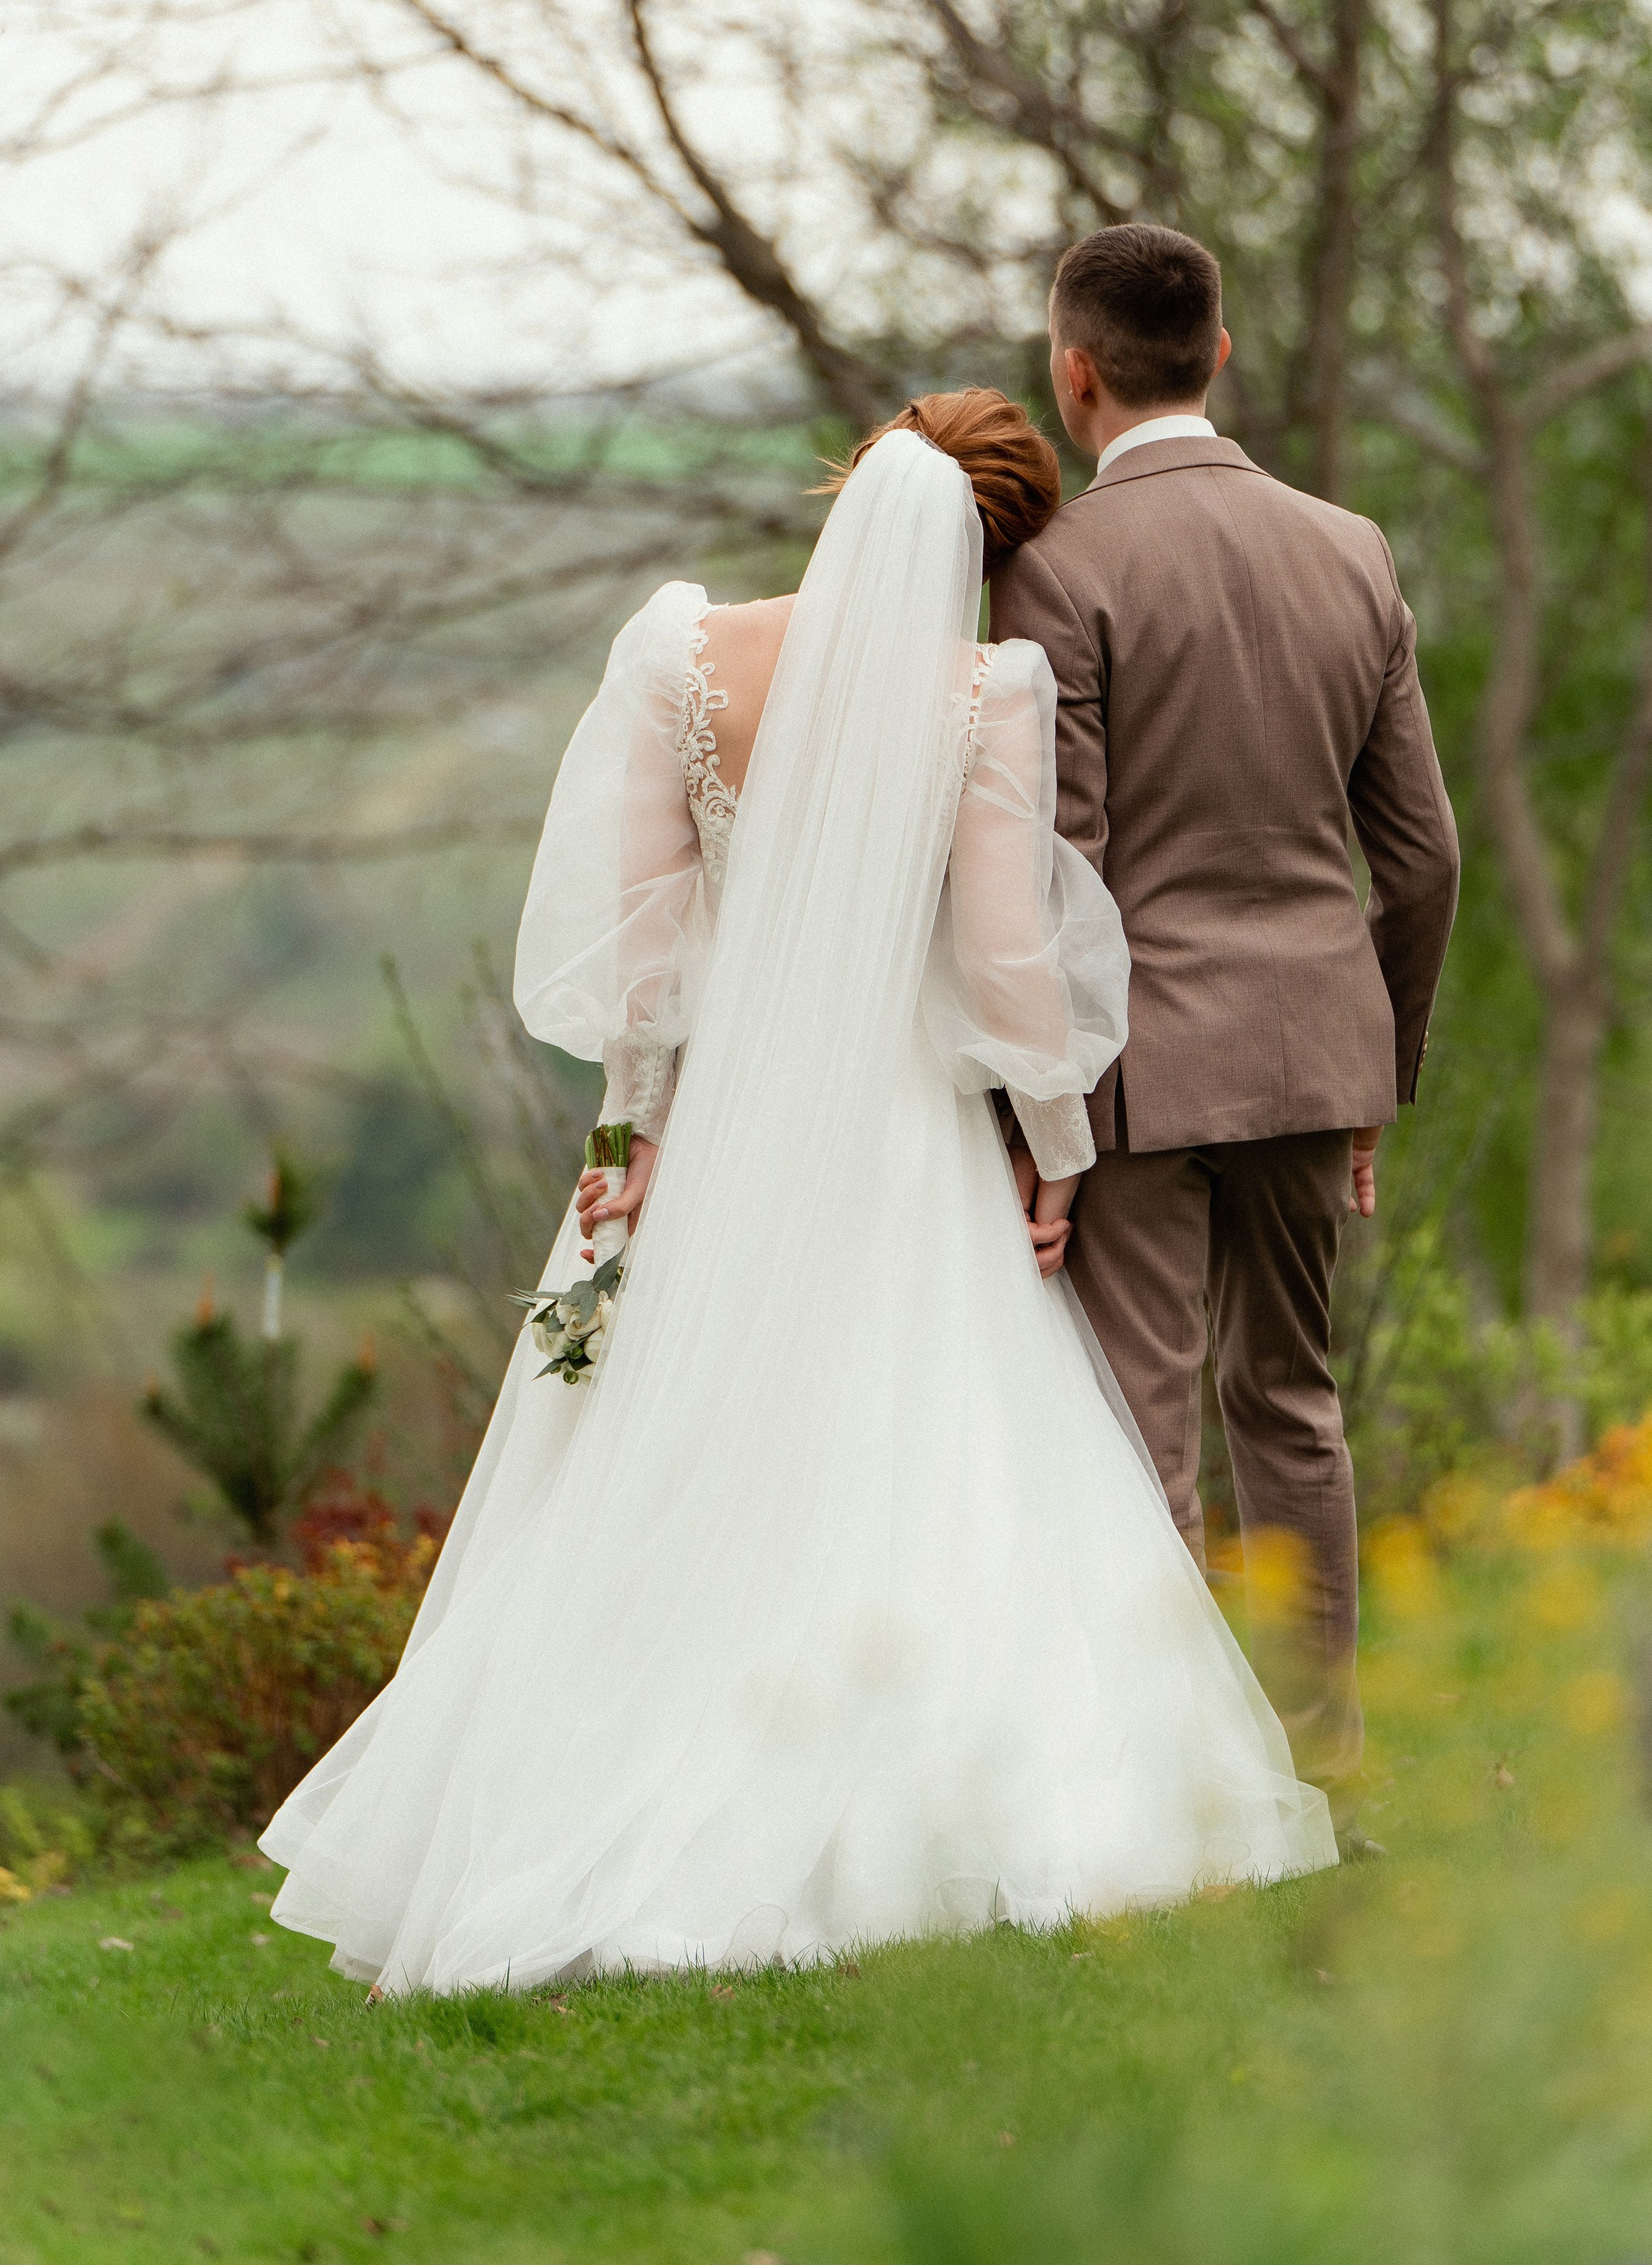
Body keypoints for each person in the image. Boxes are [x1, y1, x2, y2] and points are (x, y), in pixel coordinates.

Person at [261, 390, 1336, 1996]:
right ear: (994, 547)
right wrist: (1055, 1145)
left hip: (717, 1130)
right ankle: (905, 1802)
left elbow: (640, 953)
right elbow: (1007, 960)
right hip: (901, 1135)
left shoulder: (680, 654)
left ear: (852, 490)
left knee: (679, 1458)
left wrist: (628, 1140)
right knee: (914, 1448)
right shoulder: (988, 690)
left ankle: (613, 1795)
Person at [992, 228, 1461, 1807]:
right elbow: (1423, 860)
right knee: (1292, 1409)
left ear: (1074, 372)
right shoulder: (1352, 549)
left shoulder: (1058, 569)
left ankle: (1174, 1800)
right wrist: (1375, 1072)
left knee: (1140, 1421)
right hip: (1316, 1056)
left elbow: (1060, 871)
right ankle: (1320, 1768)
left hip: (1138, 1076)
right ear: (1222, 353)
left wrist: (1042, 1117)